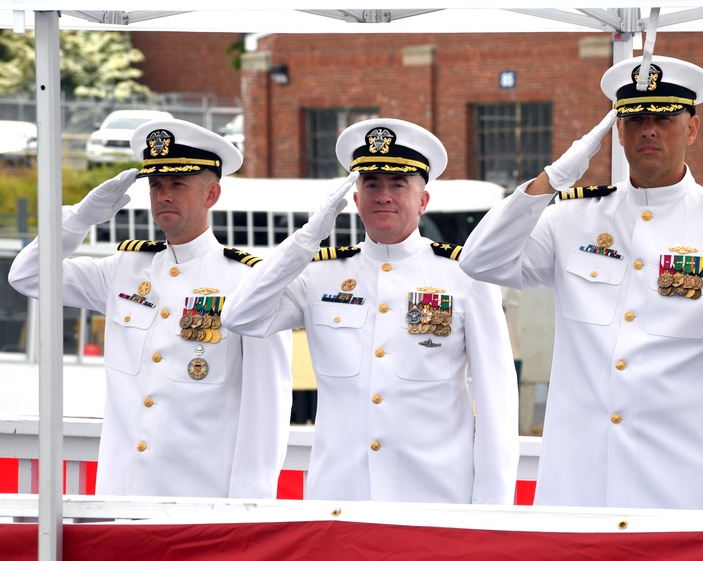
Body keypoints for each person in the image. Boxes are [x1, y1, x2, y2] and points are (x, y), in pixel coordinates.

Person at [458, 56, 703, 511]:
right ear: (616, 130)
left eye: (663, 119)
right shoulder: (573, 218)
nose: (647, 130)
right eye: (633, 119)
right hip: (578, 489)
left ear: (692, 129)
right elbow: (479, 260)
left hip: (683, 493)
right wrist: (553, 178)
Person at [222, 118, 519, 504]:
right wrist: (307, 238)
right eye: (372, 184)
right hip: (340, 500)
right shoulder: (320, 275)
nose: (384, 196)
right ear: (356, 199)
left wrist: (491, 511)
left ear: (423, 200)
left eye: (398, 185)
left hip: (434, 500)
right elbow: (239, 316)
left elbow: (497, 399)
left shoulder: (466, 276)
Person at [8, 120, 293, 498]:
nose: (164, 196)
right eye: (156, 185)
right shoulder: (125, 270)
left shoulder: (248, 282)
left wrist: (246, 512)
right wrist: (78, 220)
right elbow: (27, 276)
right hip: (119, 496)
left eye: (178, 184)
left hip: (199, 504)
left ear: (211, 194)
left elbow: (266, 411)